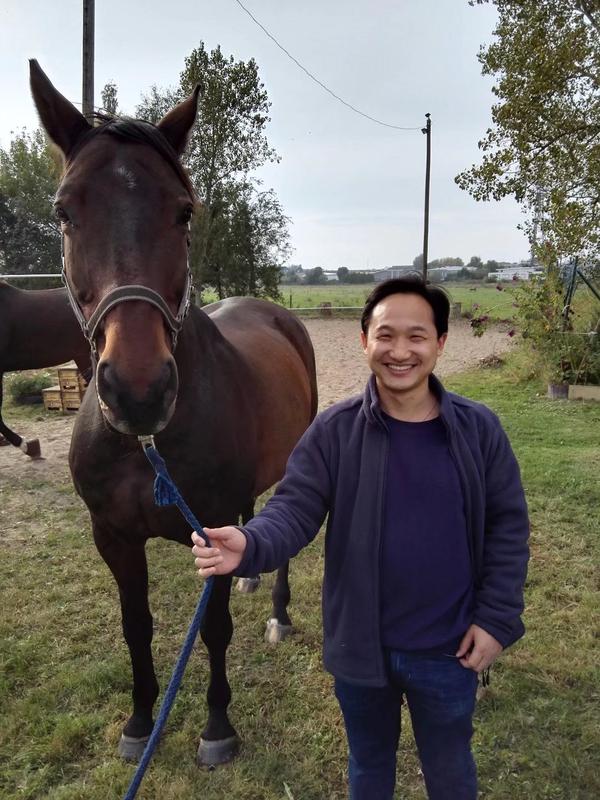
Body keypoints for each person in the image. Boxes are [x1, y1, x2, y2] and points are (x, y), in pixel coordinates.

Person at [191, 277, 529, 800]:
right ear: (364, 341)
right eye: (385, 335)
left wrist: (497, 619)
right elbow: (295, 507)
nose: (400, 352)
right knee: (369, 767)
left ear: (441, 342)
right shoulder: (334, 431)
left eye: (416, 337)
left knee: (451, 766)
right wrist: (251, 543)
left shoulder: (480, 430)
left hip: (451, 649)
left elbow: (508, 528)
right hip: (360, 650)